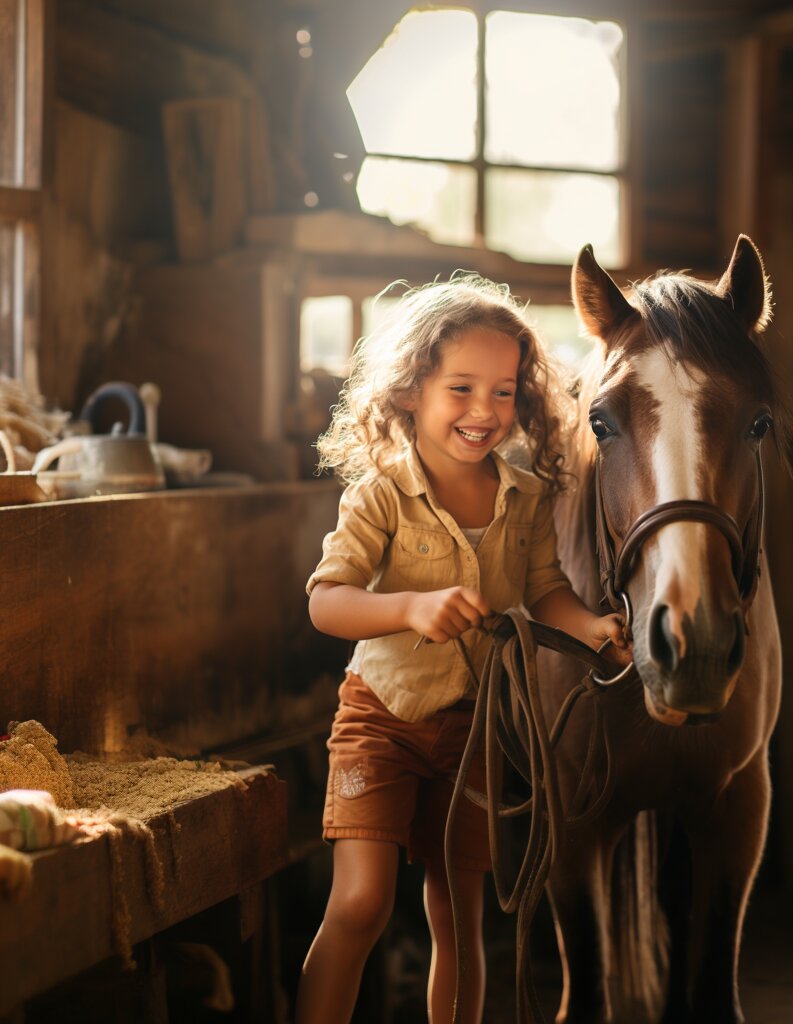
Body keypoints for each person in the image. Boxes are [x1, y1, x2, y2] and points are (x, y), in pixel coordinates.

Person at [295, 276, 628, 1024]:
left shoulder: (527, 496)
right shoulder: (380, 493)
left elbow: (546, 592)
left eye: (505, 392)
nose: (485, 412)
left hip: (474, 732)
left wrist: (595, 628)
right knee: (360, 902)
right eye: (463, 388)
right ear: (412, 390)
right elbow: (326, 601)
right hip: (381, 720)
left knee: (460, 918)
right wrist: (409, 605)